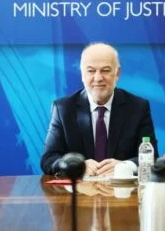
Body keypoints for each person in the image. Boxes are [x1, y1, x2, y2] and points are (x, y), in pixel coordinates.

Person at [41, 43, 158, 176]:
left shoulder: (138, 107)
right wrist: (76, 166)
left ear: (117, 73)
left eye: (105, 70)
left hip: (122, 187)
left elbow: (152, 158)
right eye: (91, 71)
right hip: (80, 187)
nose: (98, 78)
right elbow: (48, 159)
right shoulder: (63, 109)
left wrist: (125, 166)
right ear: (82, 74)